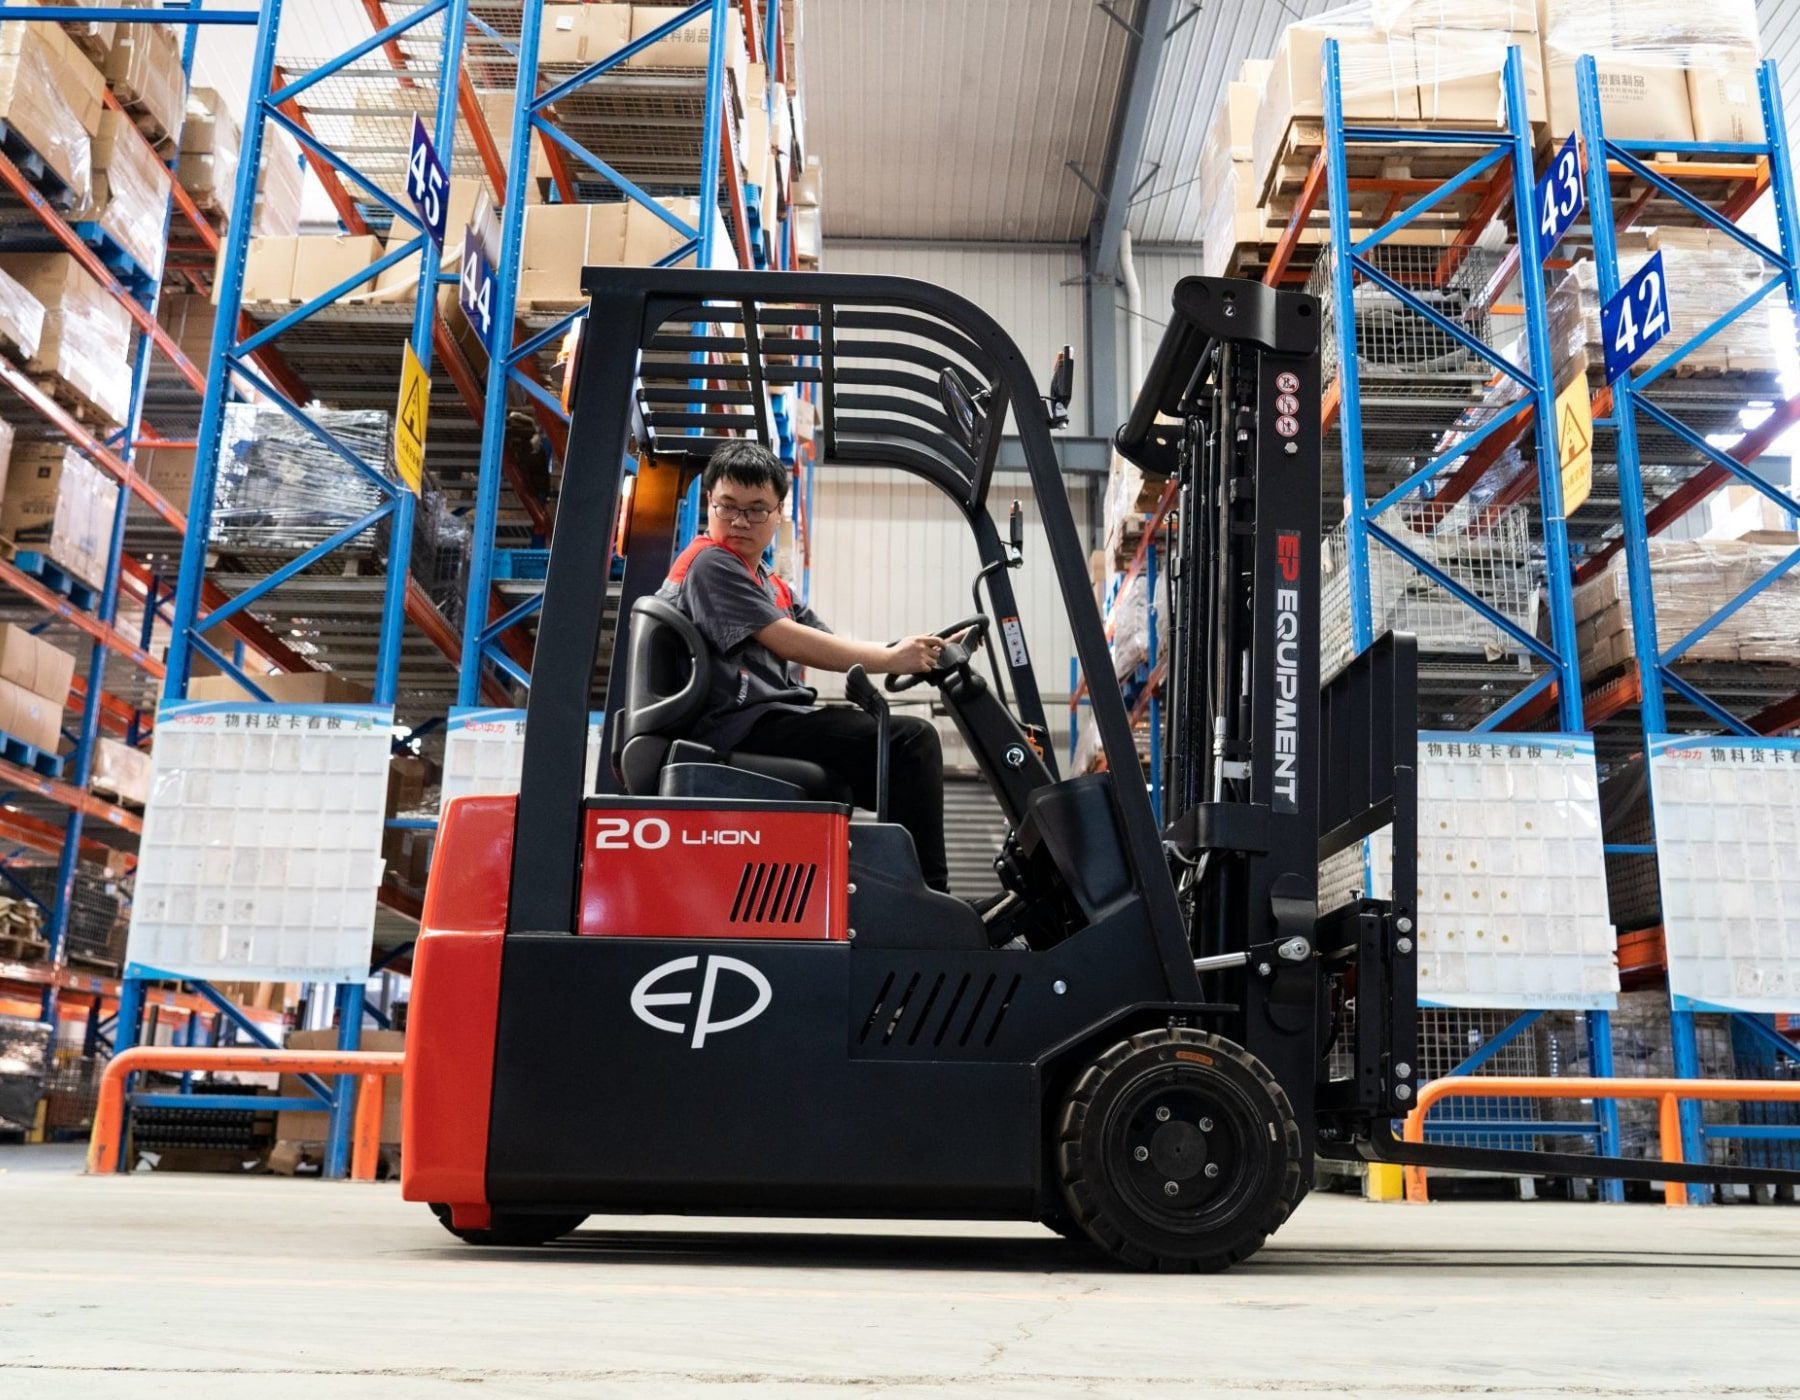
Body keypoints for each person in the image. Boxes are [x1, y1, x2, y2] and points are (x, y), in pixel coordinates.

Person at [657, 440, 954, 892]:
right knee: (910, 743)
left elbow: (828, 642)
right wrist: (891, 658)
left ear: (779, 513)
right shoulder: (710, 564)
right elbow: (789, 642)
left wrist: (907, 650)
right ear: (709, 505)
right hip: (733, 726)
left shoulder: (768, 581)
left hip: (766, 719)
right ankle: (926, 895)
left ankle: (893, 893)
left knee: (903, 765)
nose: (740, 521)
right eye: (728, 507)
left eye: (757, 509)